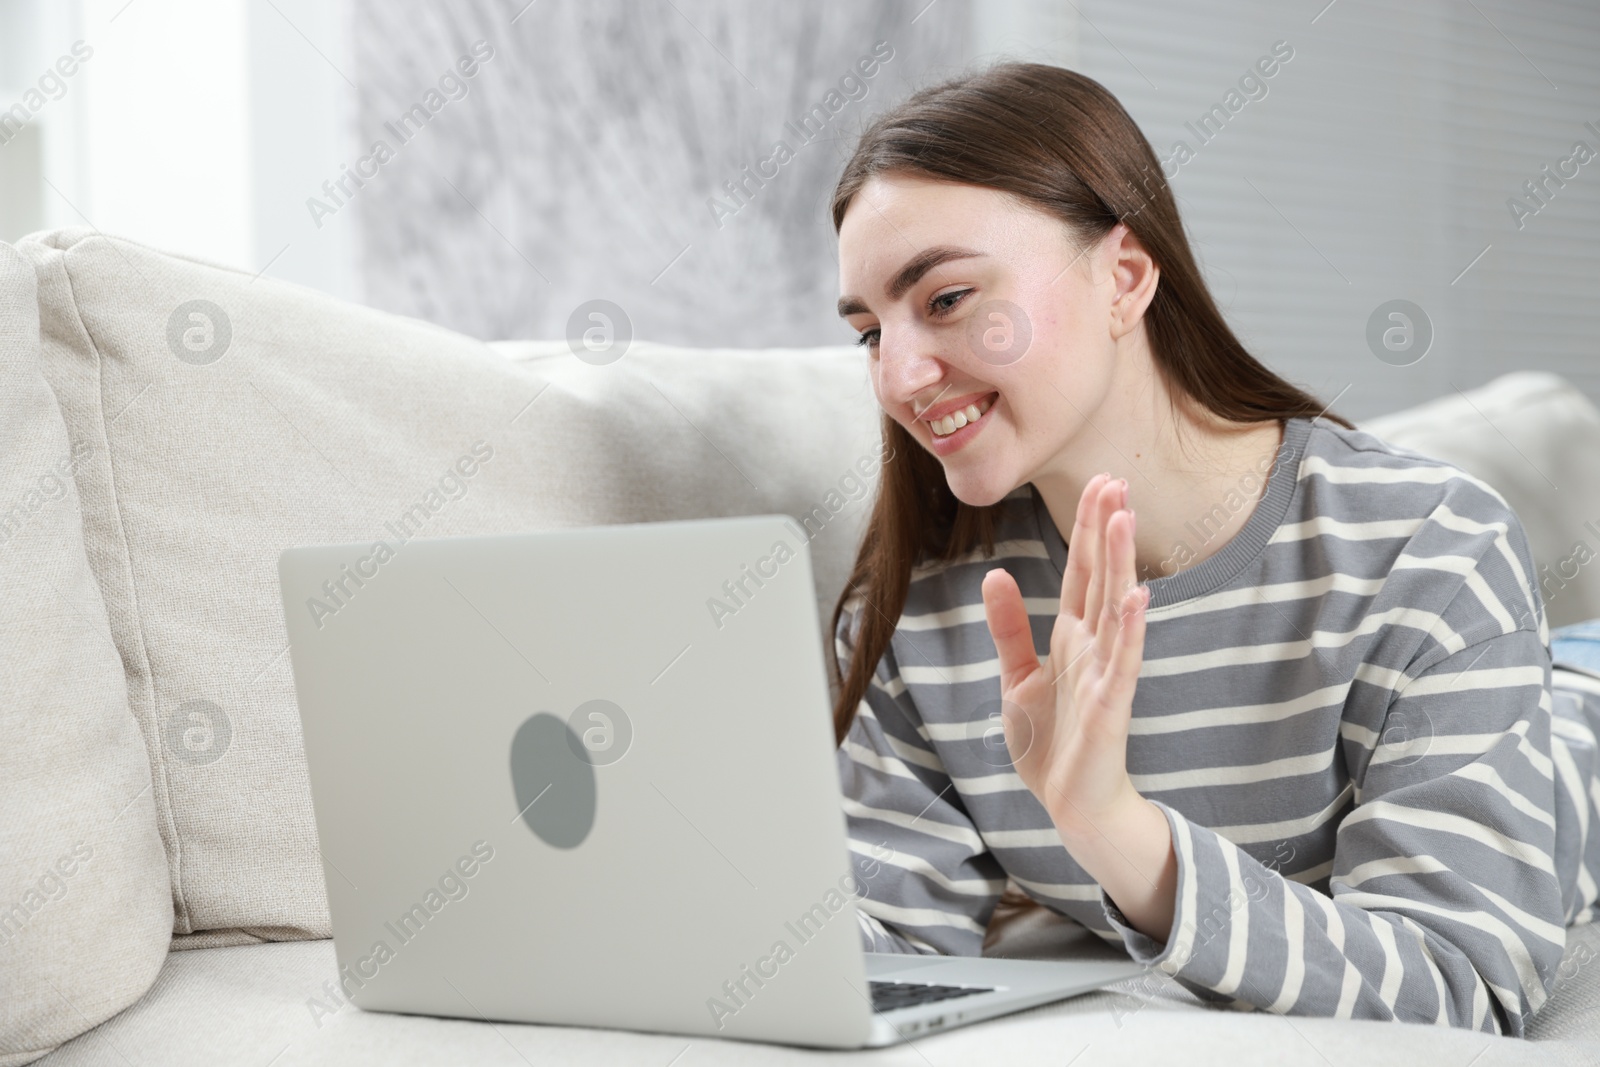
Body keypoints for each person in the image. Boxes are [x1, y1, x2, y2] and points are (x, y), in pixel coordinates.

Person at [826, 60, 1600, 1036]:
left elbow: (1458, 987)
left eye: (942, 299)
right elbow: (884, 937)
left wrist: (1116, 828)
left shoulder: (1431, 551)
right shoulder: (927, 616)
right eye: (867, 332)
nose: (898, 373)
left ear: (1125, 276)